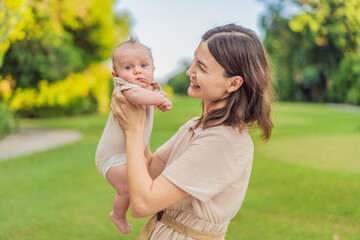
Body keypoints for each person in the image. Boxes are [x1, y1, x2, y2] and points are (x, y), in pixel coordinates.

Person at [110, 23, 273, 239]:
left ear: (233, 83)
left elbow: (142, 204)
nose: (190, 72)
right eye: (194, 61)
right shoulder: (196, 126)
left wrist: (133, 131)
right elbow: (148, 172)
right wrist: (141, 112)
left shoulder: (222, 141)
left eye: (202, 68)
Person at [95, 38, 172, 235]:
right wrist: (160, 100)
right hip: (113, 156)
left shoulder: (153, 88)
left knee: (143, 177)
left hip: (131, 150)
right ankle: (118, 215)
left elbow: (151, 97)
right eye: (129, 67)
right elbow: (139, 98)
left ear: (153, 68)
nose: (137, 71)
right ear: (116, 74)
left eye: (144, 65)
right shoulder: (125, 88)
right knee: (128, 189)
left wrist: (158, 98)